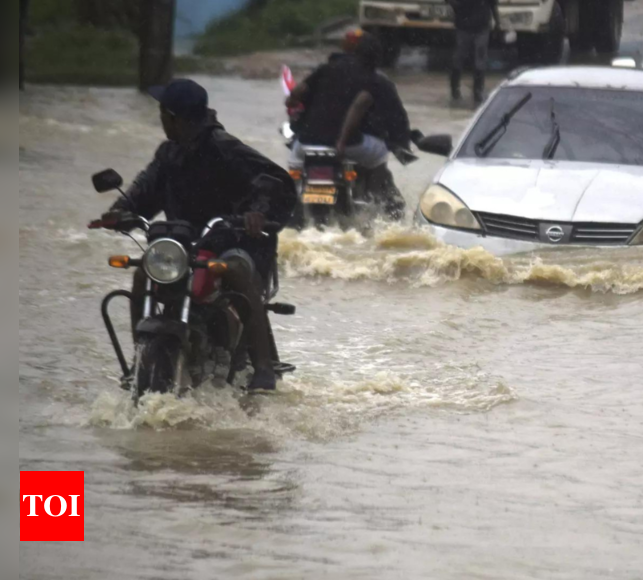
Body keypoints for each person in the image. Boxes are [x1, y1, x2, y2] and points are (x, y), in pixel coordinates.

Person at [96, 79, 297, 391]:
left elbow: (277, 182)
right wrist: (122, 210)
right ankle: (141, 358)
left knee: (235, 271)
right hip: (181, 244)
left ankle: (262, 369)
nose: (161, 119)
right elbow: (145, 188)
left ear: (173, 117)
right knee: (141, 275)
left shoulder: (224, 147)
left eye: (163, 113)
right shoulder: (168, 154)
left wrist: (259, 211)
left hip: (233, 240)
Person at [286, 30, 410, 220]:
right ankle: (381, 200)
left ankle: (293, 202)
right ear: (377, 57)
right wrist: (401, 144)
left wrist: (292, 102)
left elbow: (299, 92)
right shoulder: (377, 80)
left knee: (294, 160)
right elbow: (394, 117)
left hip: (308, 142)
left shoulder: (326, 69)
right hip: (347, 145)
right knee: (379, 156)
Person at [446, 0, 501, 104]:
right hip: (465, 25)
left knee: (477, 58)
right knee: (460, 57)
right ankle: (456, 89)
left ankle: (477, 90)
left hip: (479, 25)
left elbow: (493, 4)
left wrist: (497, 22)